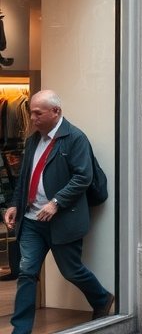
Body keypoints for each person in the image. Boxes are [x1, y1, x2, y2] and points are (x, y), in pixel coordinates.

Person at [4, 90, 115, 334]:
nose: (32, 118)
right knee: (26, 273)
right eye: (31, 113)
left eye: (38, 113)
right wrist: (14, 204)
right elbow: (24, 178)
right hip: (32, 221)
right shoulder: (33, 140)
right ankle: (20, 330)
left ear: (56, 112)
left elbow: (83, 177)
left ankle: (101, 298)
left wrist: (56, 202)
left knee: (71, 271)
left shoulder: (75, 138)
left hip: (62, 220)